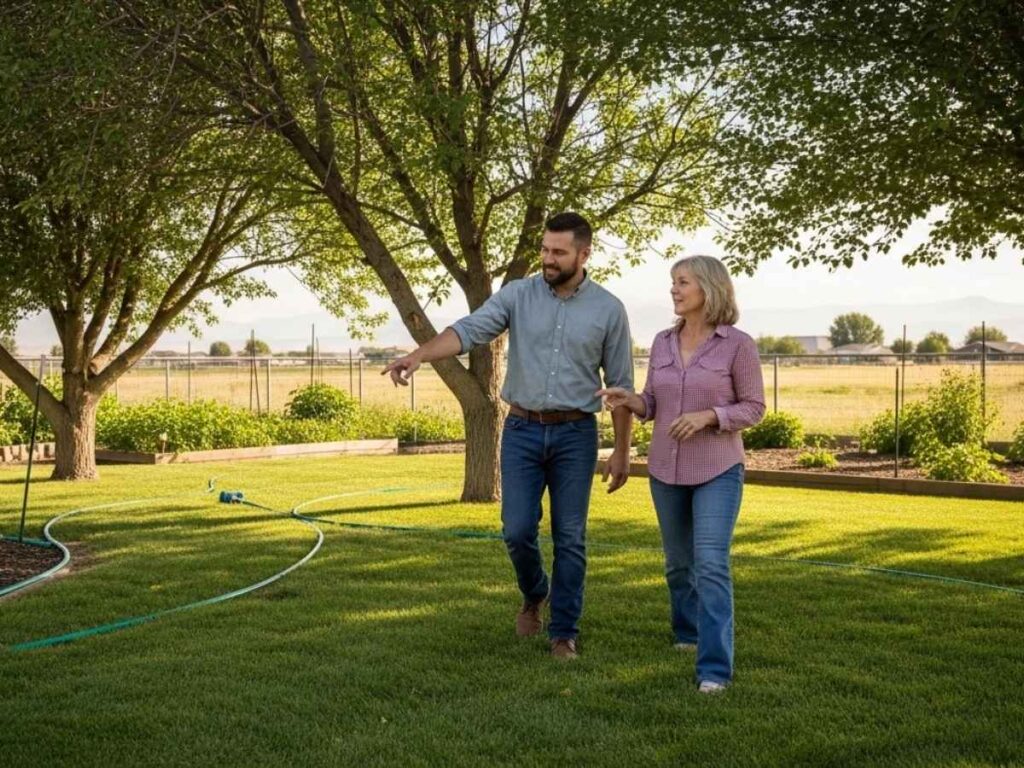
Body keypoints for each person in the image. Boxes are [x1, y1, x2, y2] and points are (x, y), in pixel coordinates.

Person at [383, 212, 634, 660]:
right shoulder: (517, 296)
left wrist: (621, 452)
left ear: (584, 253)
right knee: (517, 530)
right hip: (520, 429)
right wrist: (419, 355)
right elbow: (468, 331)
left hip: (576, 433)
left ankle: (564, 632)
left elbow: (621, 389)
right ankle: (535, 592)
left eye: (558, 251)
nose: (548, 258)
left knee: (570, 535)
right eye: (544, 249)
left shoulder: (609, 309)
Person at [597, 255, 765, 692]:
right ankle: (687, 633)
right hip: (665, 469)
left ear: (709, 288)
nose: (674, 289)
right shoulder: (662, 342)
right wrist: (629, 399)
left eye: (682, 282)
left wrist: (710, 415)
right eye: (672, 282)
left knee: (711, 563)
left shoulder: (738, 345)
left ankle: (713, 670)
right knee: (678, 565)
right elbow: (653, 402)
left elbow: (754, 408)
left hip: (718, 469)